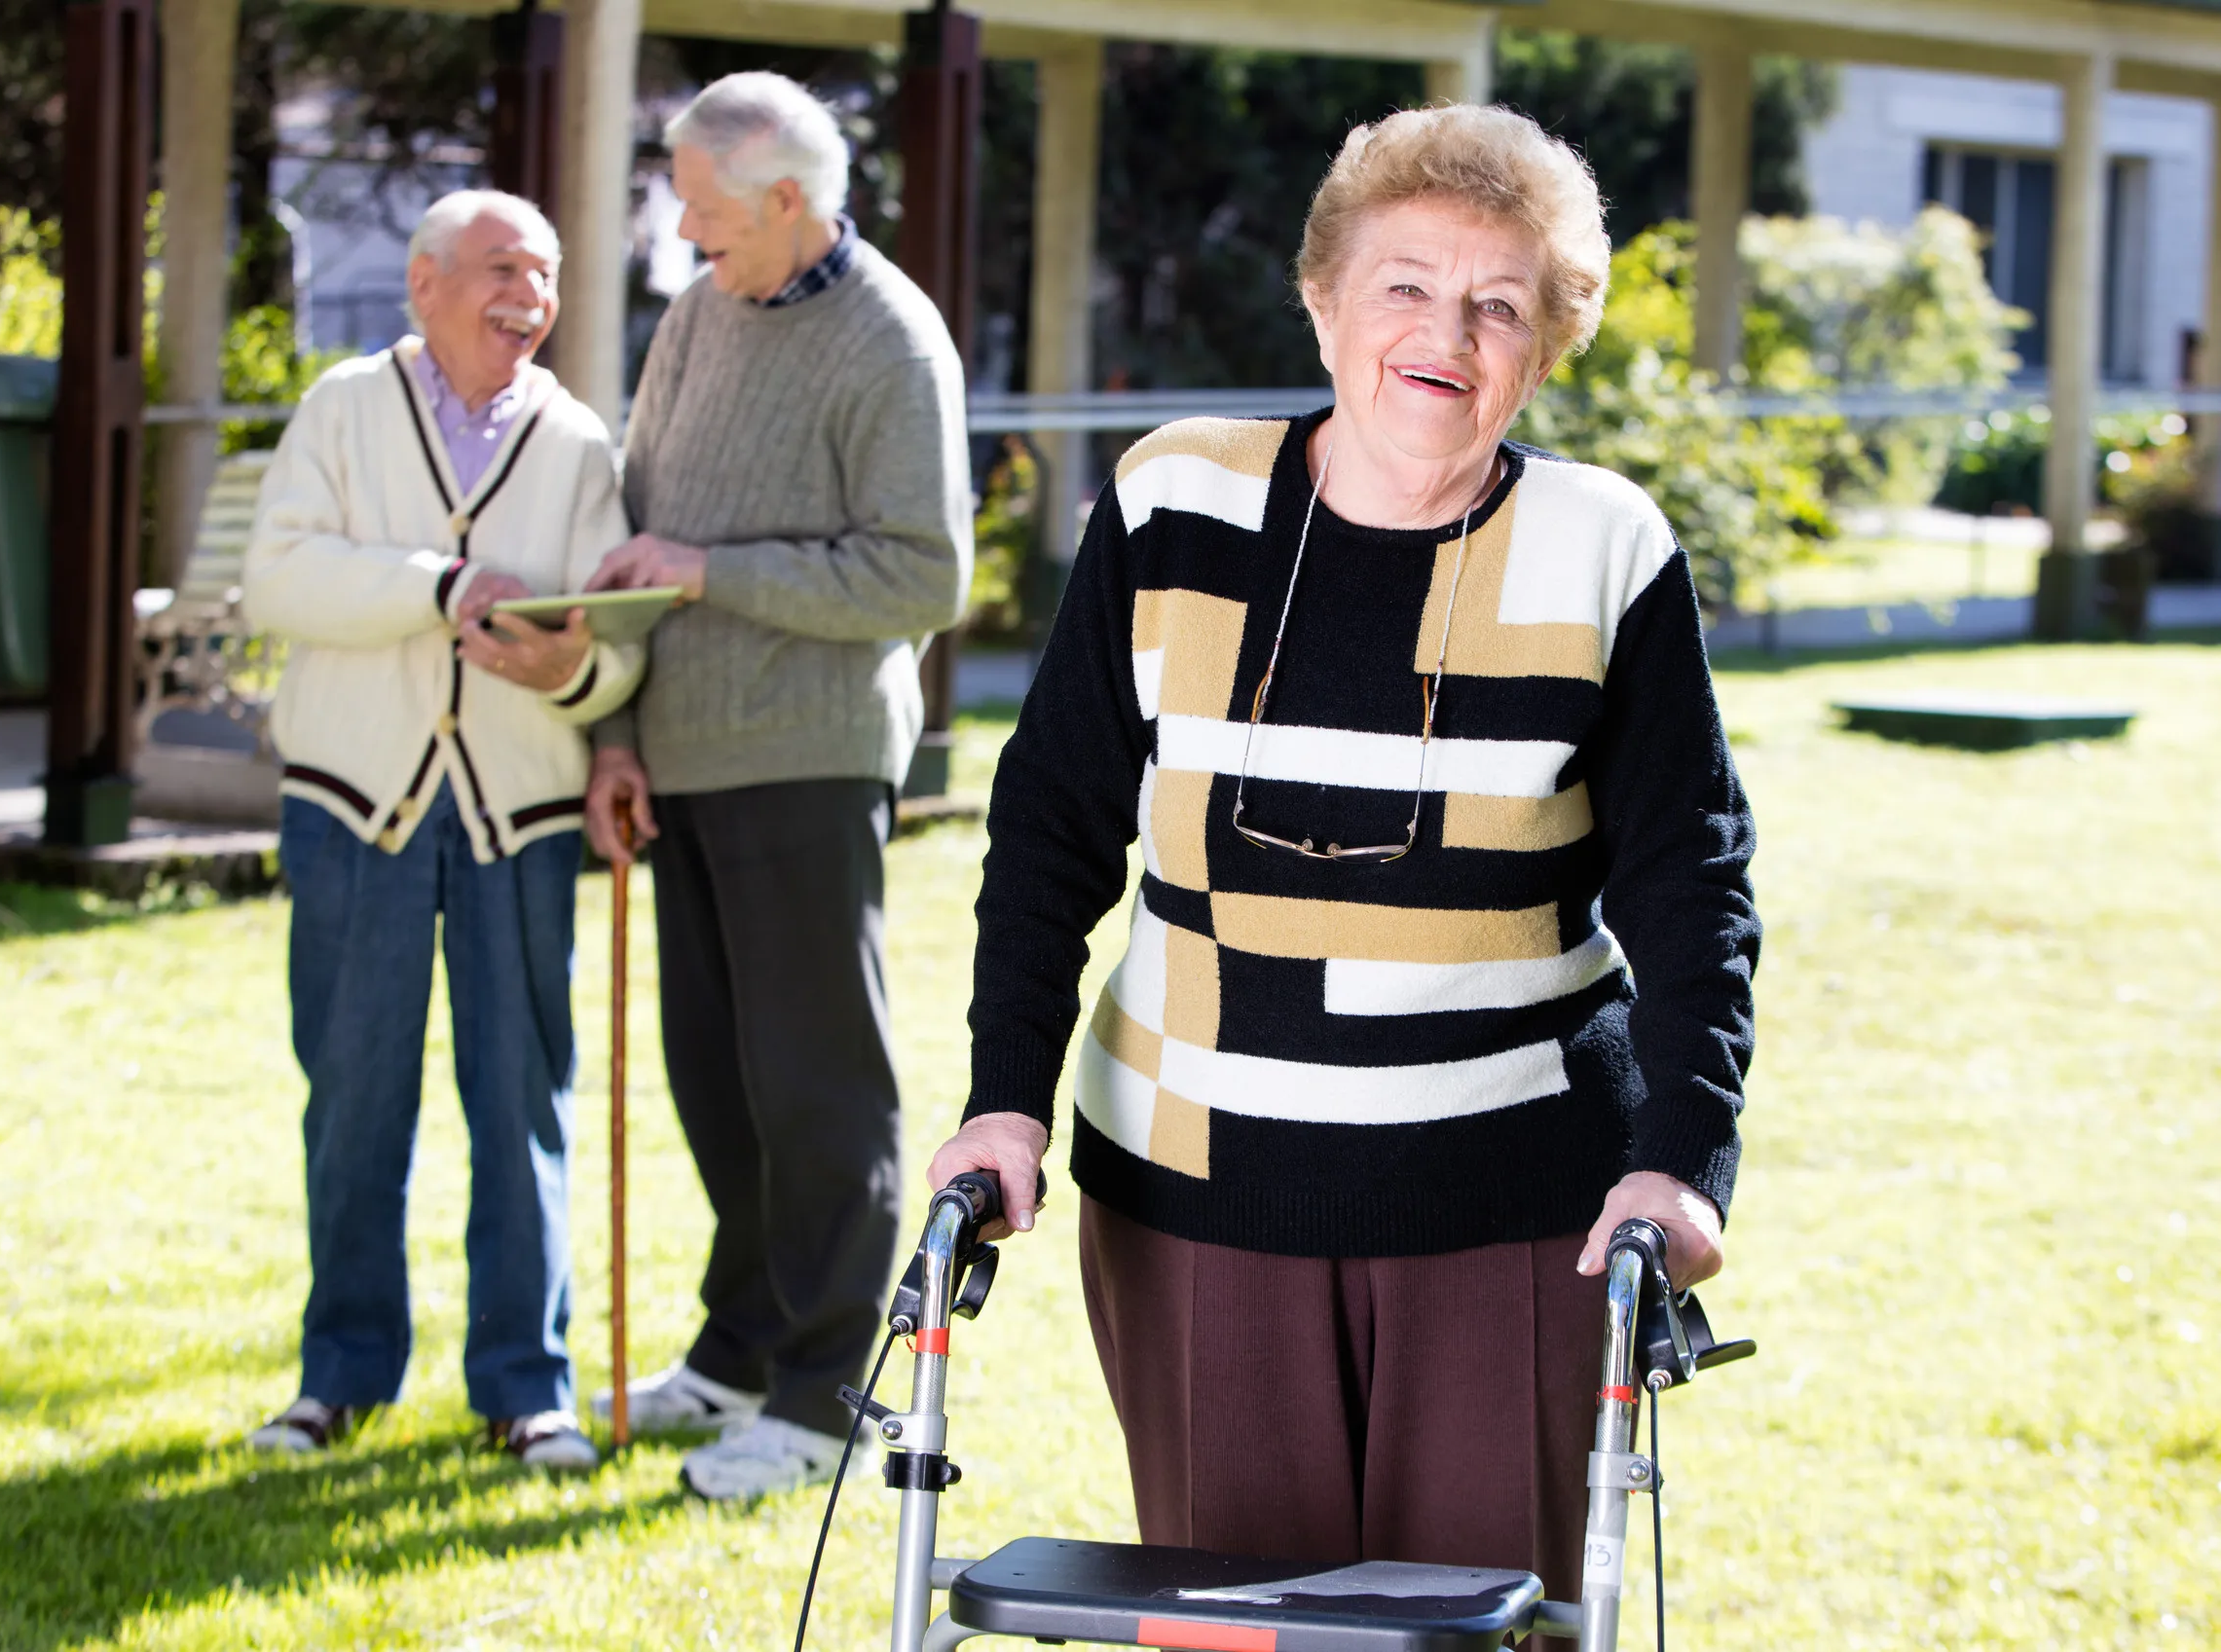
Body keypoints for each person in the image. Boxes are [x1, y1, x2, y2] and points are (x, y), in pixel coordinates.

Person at [928, 103, 1759, 1614]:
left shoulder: (1601, 547)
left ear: (1544, 342)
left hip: (1508, 1208)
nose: (1444, 333)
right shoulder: (1176, 500)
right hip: (1195, 1192)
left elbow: (1688, 876)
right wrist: (1002, 1097)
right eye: (1403, 286)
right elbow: (1052, 817)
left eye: (1496, 304)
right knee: (1246, 1627)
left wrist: (1680, 1155)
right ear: (1322, 300)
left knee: (1483, 1623)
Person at [580, 70, 972, 1502]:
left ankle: (817, 1395)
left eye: (703, 215)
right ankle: (736, 1352)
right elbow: (636, 521)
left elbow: (924, 576)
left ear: (788, 200)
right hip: (674, 753)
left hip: (808, 759)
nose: (685, 241)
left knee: (815, 1091)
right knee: (718, 1082)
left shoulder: (892, 344)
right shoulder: (697, 314)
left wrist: (712, 572)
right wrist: (610, 739)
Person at [241, 189, 645, 1470]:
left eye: (544, 273)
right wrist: (439, 587)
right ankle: (339, 1377)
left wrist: (572, 681)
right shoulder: (343, 407)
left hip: (515, 814)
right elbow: (280, 575)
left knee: (521, 1101)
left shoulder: (577, 439)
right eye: (498, 269)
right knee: (354, 1099)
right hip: (354, 805)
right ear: (423, 284)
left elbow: (608, 657)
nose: (525, 295)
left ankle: (527, 1388)